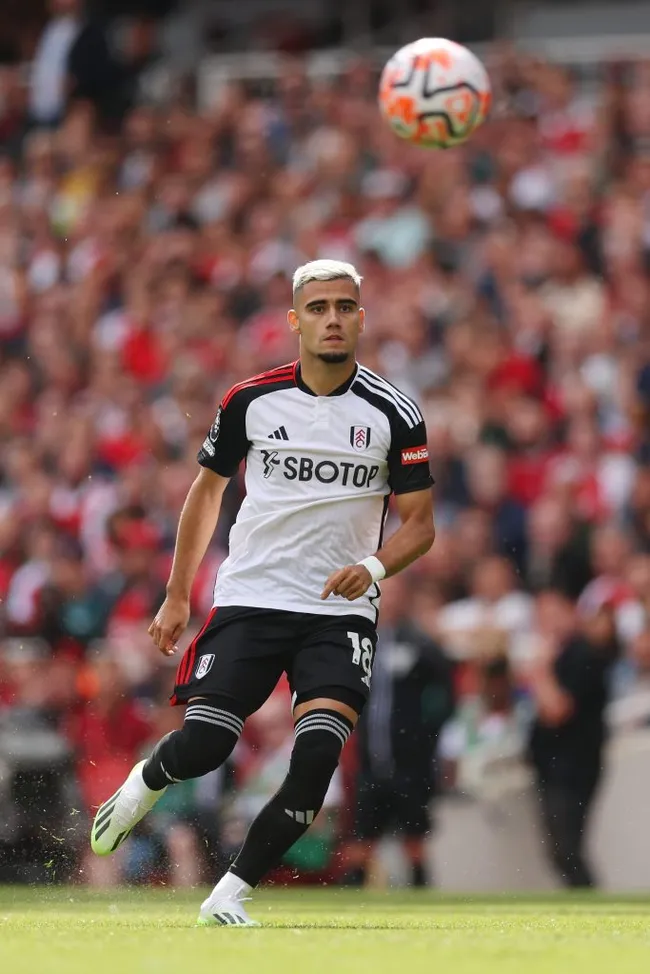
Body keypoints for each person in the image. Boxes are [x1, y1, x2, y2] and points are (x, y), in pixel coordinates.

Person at [89, 259, 435, 925]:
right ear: (295, 321)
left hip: (338, 612)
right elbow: (206, 493)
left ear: (360, 318)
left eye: (343, 306)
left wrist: (376, 567)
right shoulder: (250, 400)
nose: (331, 318)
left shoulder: (394, 411)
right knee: (205, 746)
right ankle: (142, 786)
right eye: (317, 307)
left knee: (314, 766)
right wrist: (176, 595)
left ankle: (230, 893)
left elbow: (420, 525)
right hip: (253, 597)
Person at [344, 573, 454, 887]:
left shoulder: (420, 644)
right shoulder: (363, 641)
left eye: (394, 593)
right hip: (370, 761)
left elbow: (444, 696)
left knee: (414, 839)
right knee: (361, 840)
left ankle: (420, 897)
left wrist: (425, 737)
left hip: (410, 763)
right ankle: (351, 905)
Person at [526, 589, 615, 888]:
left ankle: (592, 905)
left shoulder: (583, 653)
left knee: (566, 848)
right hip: (553, 766)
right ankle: (585, 901)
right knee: (559, 850)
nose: (547, 624)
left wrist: (539, 670)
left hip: (574, 766)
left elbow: (556, 709)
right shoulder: (564, 655)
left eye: (553, 614)